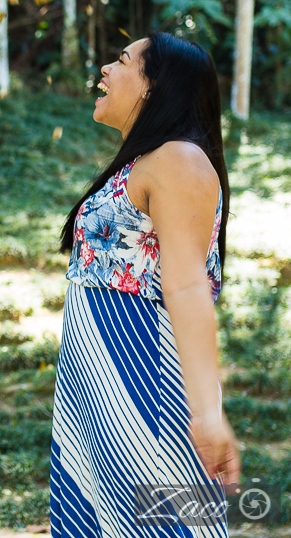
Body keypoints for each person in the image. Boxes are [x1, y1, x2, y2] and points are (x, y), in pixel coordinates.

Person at [50, 32, 241, 537]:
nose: (105, 70)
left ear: (156, 87)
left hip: (143, 388)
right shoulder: (147, 161)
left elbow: (187, 286)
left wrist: (207, 412)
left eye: (122, 61)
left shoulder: (180, 160)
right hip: (96, 388)